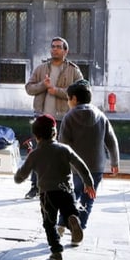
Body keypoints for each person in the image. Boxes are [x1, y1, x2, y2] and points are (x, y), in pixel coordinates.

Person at [14, 114, 96, 260]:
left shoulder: (35, 155)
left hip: (47, 194)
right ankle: (73, 218)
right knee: (68, 211)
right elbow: (81, 166)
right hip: (66, 190)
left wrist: (18, 177)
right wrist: (88, 183)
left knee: (49, 223)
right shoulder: (64, 149)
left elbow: (23, 173)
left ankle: (56, 251)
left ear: (36, 135)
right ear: (54, 132)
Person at [22, 37, 84, 199]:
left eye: (58, 47)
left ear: (65, 51)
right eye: (52, 47)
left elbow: (81, 93)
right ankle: (35, 187)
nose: (54, 49)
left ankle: (63, 186)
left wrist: (56, 91)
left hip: (64, 118)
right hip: (42, 118)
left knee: (63, 154)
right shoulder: (41, 68)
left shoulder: (74, 70)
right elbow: (29, 88)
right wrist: (44, 85)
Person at [57, 80, 120, 238]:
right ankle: (80, 228)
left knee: (69, 195)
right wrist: (115, 162)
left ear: (75, 99)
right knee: (88, 199)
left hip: (75, 168)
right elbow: (111, 140)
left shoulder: (69, 117)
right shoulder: (100, 116)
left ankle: (62, 224)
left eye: (68, 98)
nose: (67, 102)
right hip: (96, 166)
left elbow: (63, 144)